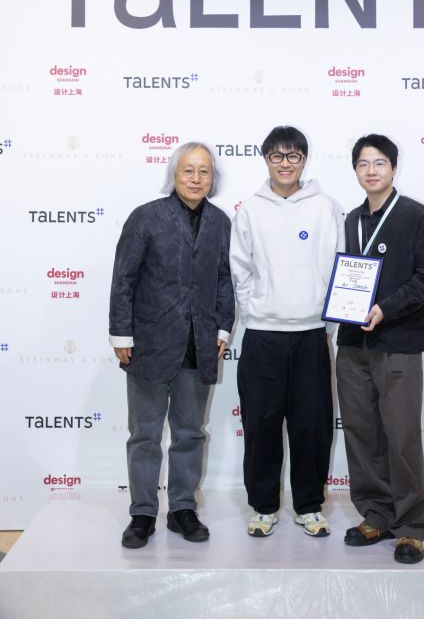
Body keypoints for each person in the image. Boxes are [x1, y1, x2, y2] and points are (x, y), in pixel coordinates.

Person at [109, 142, 234, 549]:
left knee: (190, 434)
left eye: (204, 171)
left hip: (199, 345)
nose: (196, 178)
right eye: (188, 170)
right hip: (148, 345)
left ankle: (182, 509)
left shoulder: (220, 222)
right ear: (174, 175)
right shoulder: (145, 217)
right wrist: (121, 334)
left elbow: (223, 279)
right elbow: (124, 279)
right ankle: (142, 514)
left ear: (213, 178)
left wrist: (223, 329)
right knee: (144, 435)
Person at [230, 125, 344, 538]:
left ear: (304, 160)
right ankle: (263, 507)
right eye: (276, 156)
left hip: (311, 334)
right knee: (261, 425)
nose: (285, 163)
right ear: (266, 160)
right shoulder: (250, 210)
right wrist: (256, 311)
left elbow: (339, 265)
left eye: (293, 156)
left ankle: (309, 506)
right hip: (262, 335)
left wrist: (326, 320)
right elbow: (239, 268)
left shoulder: (326, 208)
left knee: (312, 425)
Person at [336, 133, 424, 564]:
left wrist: (386, 308)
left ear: (394, 168)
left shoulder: (416, 215)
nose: (371, 171)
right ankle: (376, 514)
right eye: (363, 164)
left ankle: (412, 527)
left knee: (401, 437)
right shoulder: (352, 220)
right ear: (355, 170)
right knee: (361, 433)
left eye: (380, 163)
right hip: (353, 342)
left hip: (399, 340)